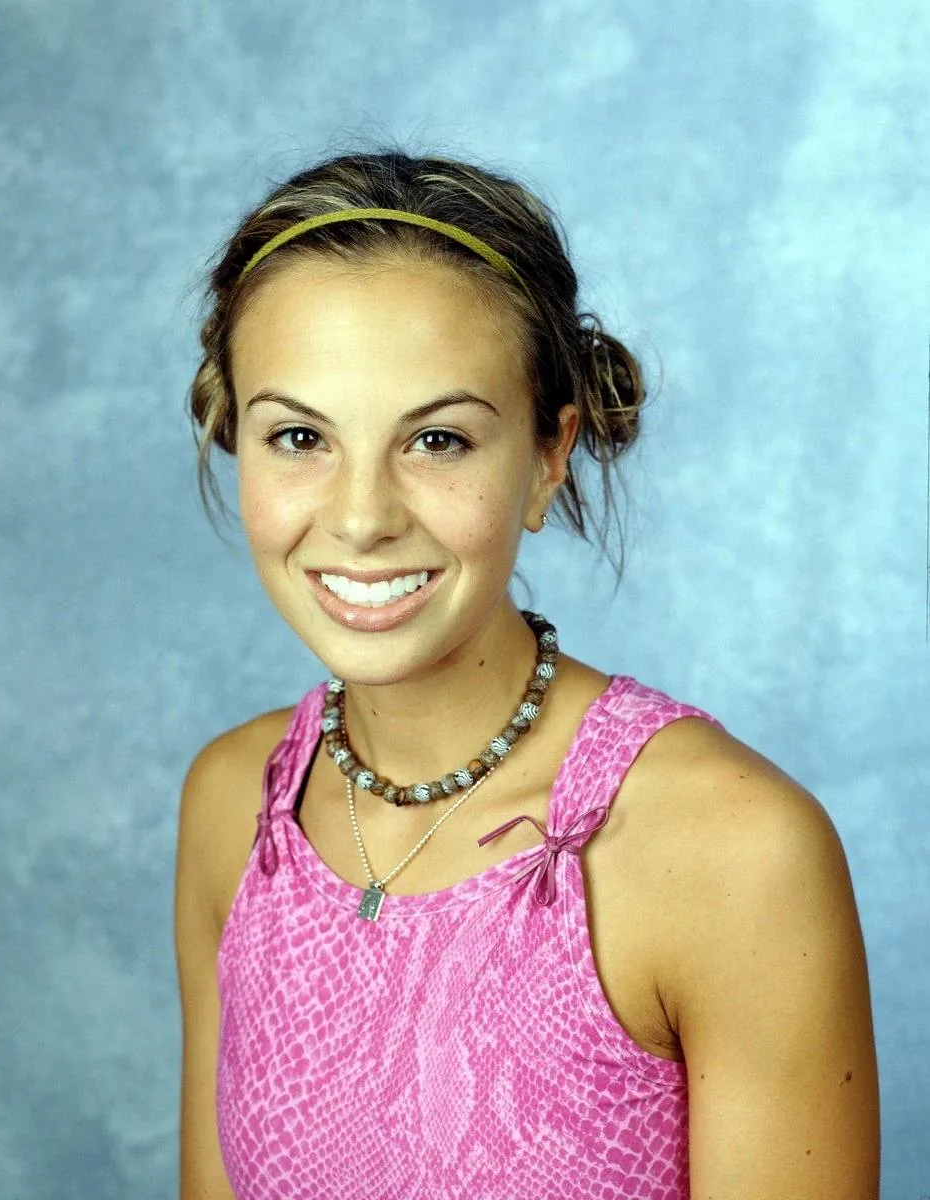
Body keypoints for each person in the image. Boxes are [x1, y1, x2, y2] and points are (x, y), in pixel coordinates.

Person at [174, 150, 880, 1200]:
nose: (361, 518)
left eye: (439, 439)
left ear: (551, 455)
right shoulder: (236, 804)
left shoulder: (733, 852)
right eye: (299, 437)